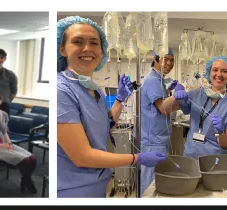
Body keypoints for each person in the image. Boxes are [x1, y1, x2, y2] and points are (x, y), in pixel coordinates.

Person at [57, 16, 165, 197]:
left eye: (94, 43)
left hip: (97, 184)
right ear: (62, 49)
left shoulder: (94, 89)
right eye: (77, 42)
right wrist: (137, 158)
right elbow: (83, 156)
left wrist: (121, 99)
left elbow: (105, 124)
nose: (87, 49)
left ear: (101, 50)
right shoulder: (61, 90)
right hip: (71, 190)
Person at [170, 56, 227, 161]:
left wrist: (220, 132)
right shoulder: (196, 94)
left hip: (215, 163)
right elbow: (165, 109)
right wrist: (176, 93)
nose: (219, 74)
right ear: (209, 73)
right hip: (191, 158)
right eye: (215, 70)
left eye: (224, 71)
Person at [0, 93, 38, 194]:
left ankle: (25, 179)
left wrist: (9, 143)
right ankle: (28, 180)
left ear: (0, 101)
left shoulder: (4, 114)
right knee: (26, 161)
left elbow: (4, 132)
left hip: (4, 143)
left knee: (33, 159)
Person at [139, 50, 179, 194]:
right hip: (153, 141)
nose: (169, 63)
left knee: (156, 181)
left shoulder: (159, 80)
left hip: (158, 139)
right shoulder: (153, 80)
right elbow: (163, 108)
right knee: (150, 185)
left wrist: (168, 91)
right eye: (165, 59)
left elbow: (158, 103)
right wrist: (179, 99)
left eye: (172, 60)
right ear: (155, 58)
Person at [0, 49, 18, 113]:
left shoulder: (11, 75)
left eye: (2, 58)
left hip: (4, 105)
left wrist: (5, 100)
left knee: (4, 123)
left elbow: (13, 93)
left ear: (5, 59)